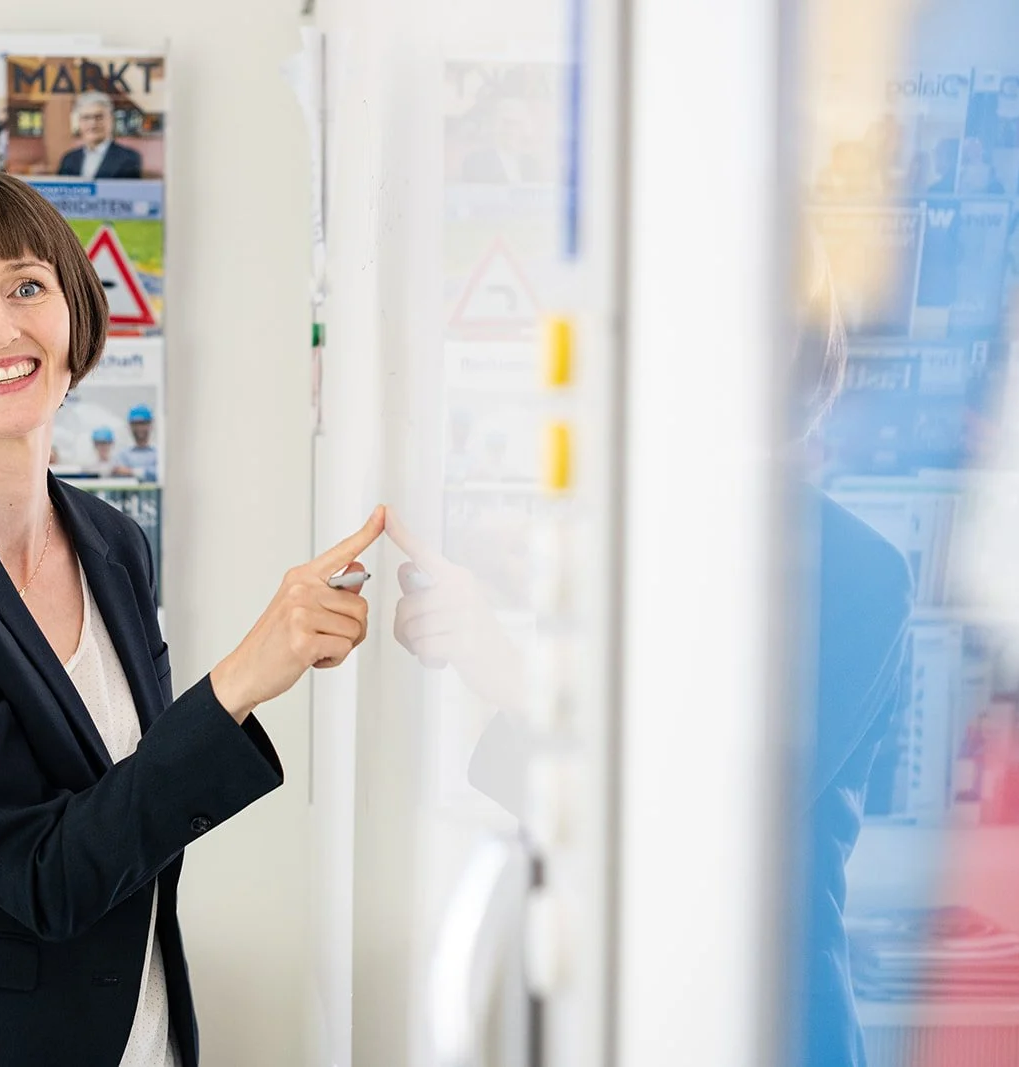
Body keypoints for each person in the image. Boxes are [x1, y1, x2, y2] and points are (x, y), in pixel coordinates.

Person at [0, 169, 384, 1067]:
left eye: (26, 285)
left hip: (137, 1039)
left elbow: (129, 808)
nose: (1, 328)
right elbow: (40, 872)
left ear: (73, 309)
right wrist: (239, 681)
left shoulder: (112, 542)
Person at [390, 234, 912, 1067]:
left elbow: (708, 817)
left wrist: (514, 675)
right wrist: (468, 653)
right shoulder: (636, 544)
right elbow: (559, 811)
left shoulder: (855, 572)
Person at [57, 91, 143, 179]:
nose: (93, 123)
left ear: (111, 119)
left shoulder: (128, 158)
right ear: (79, 122)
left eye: (98, 117)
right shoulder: (68, 159)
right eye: (86, 117)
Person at [111, 404, 158, 481]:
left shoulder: (158, 453)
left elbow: (159, 474)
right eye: (135, 424)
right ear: (130, 426)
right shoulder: (122, 455)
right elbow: (119, 475)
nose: (139, 428)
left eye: (143, 423)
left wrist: (131, 471)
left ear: (150, 424)